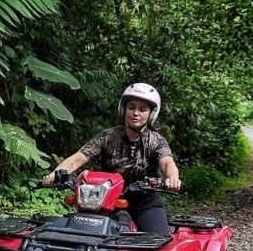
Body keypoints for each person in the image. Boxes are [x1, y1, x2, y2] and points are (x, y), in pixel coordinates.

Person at [41, 82, 181, 234]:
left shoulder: (155, 140)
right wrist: (54, 174)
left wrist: (172, 179)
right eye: (131, 107)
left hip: (145, 203)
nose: (136, 113)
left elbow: (167, 162)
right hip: (107, 202)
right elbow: (78, 158)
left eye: (142, 109)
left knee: (159, 241)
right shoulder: (107, 137)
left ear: (151, 114)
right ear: (124, 109)